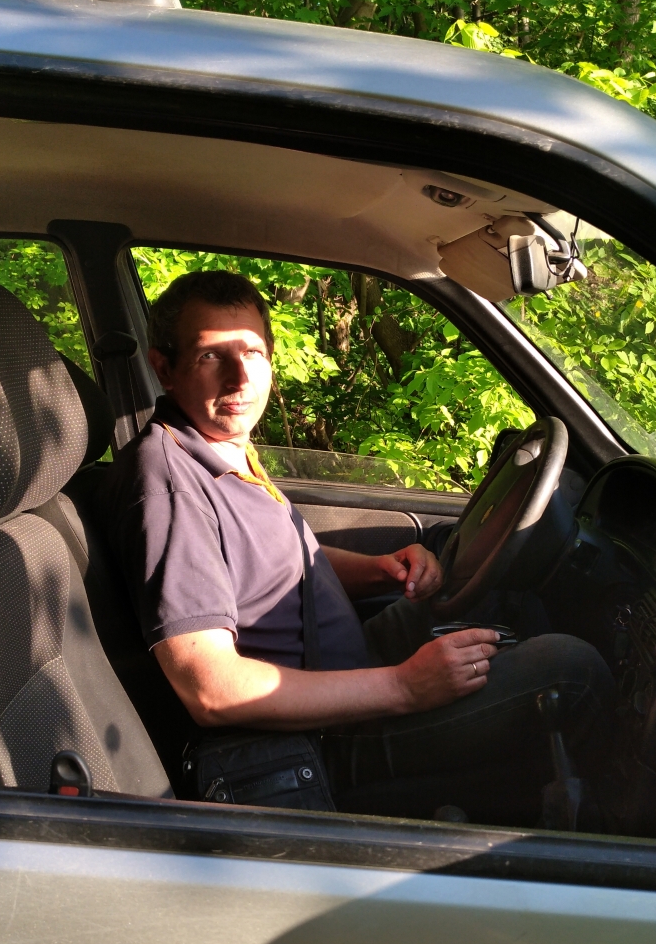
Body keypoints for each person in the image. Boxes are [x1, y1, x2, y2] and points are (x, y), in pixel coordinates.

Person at [102, 270, 612, 824]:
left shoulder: (220, 446)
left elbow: (272, 562)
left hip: (343, 667)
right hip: (319, 736)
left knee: (500, 598)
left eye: (252, 352)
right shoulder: (169, 485)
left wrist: (380, 569)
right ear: (164, 369)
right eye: (210, 356)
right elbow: (212, 690)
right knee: (571, 669)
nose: (240, 377)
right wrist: (405, 687)